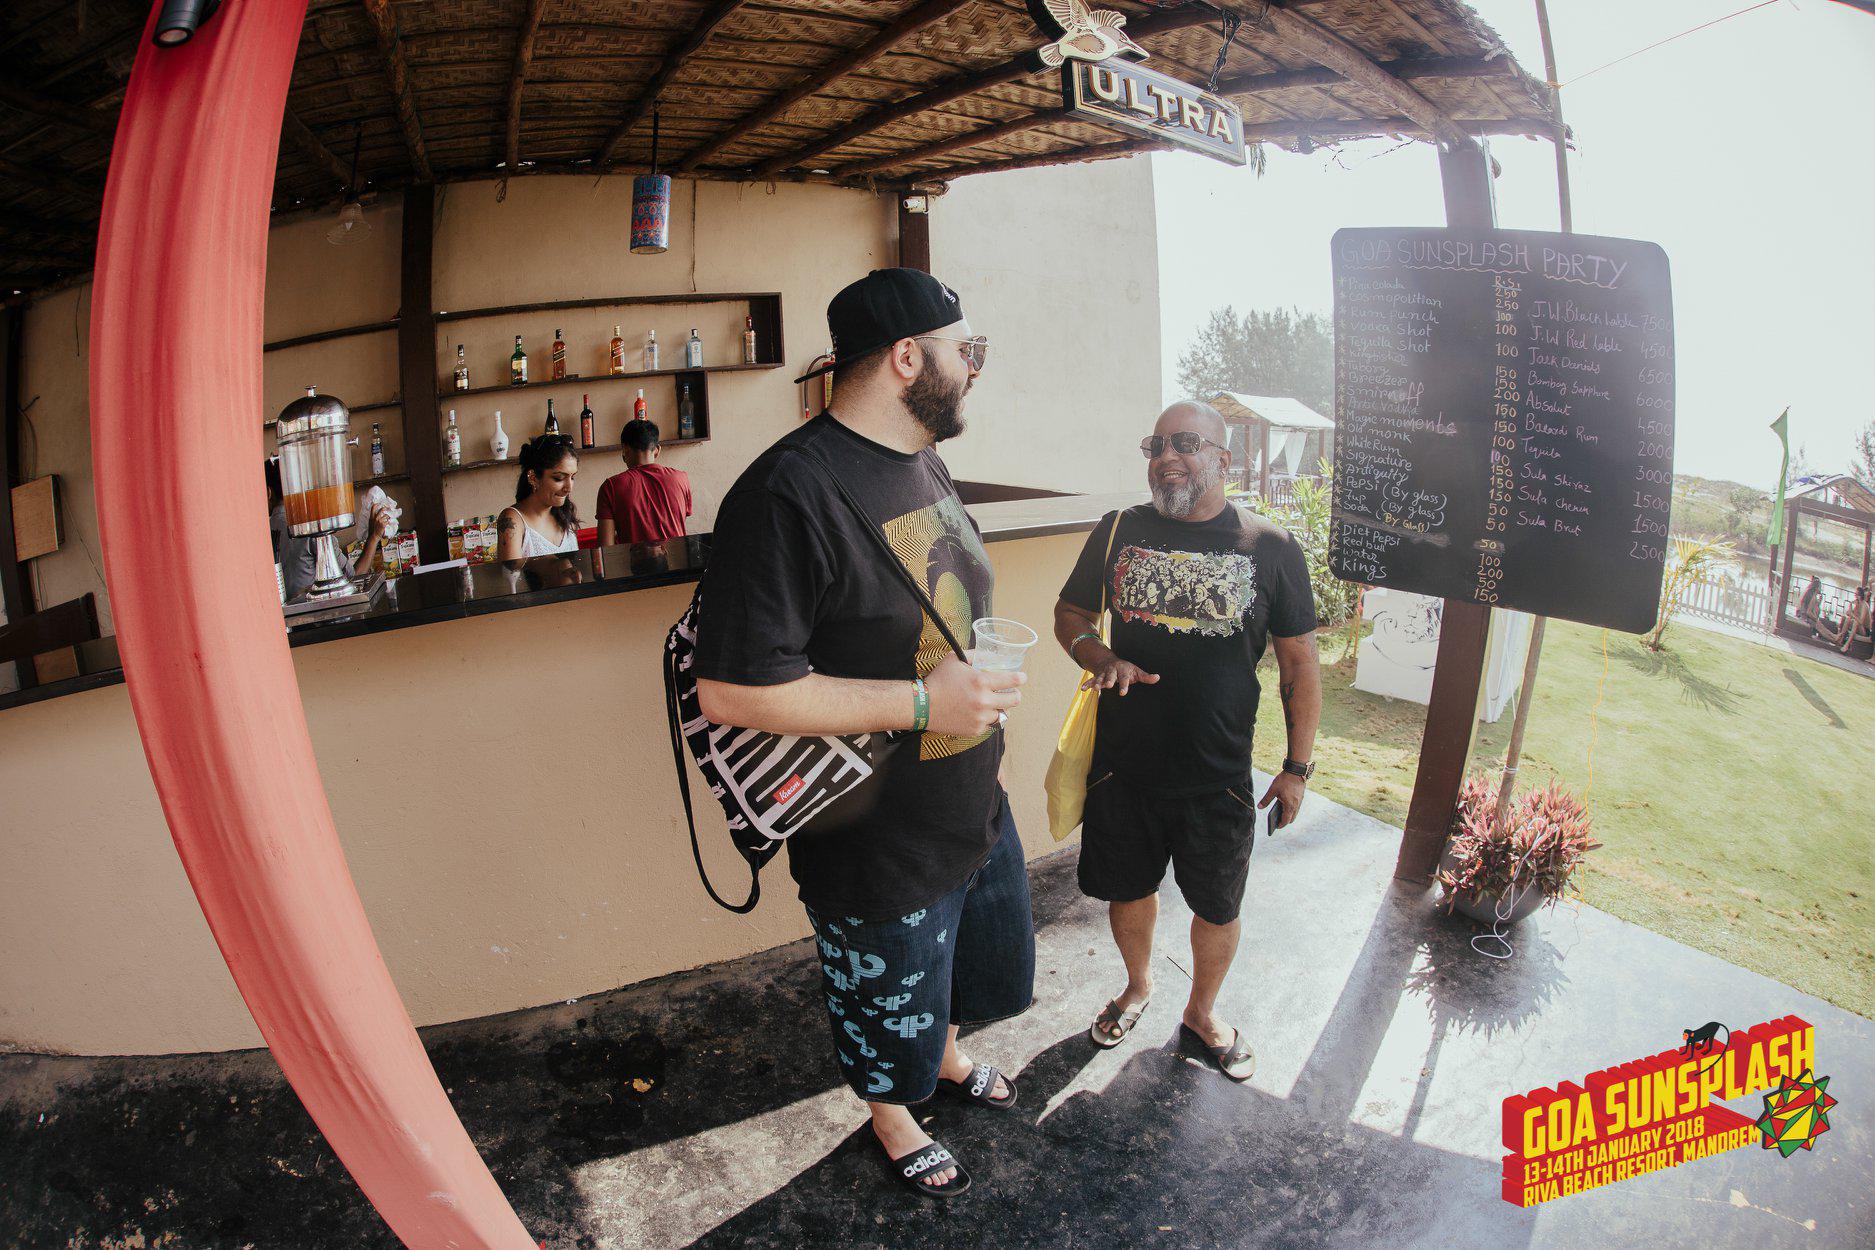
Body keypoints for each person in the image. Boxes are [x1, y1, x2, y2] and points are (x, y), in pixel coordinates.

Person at [691, 268, 1027, 1200]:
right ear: (908, 357)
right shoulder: (786, 492)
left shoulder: (923, 458)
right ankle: (893, 1116)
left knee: (967, 974)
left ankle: (946, 1058)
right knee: (886, 1013)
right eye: (967, 349)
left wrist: (975, 721)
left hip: (969, 795)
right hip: (872, 836)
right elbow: (732, 691)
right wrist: (923, 706)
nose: (975, 366)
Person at [1054, 400, 1322, 1083]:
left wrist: (1296, 768)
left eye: (1185, 443)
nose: (1167, 456)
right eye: (1156, 445)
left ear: (1224, 459)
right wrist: (1098, 656)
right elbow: (1071, 613)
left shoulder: (1271, 547)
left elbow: (1299, 665)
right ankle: (1137, 987)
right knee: (1127, 890)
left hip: (1217, 775)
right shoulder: (1118, 530)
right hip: (1123, 768)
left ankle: (1202, 1013)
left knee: (1218, 906)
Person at [265, 457, 391, 601]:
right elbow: (354, 577)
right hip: (315, 612)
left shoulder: (261, 532)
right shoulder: (313, 528)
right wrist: (374, 537)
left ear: (268, 492)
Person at [596, 418, 691, 546]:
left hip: (634, 559)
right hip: (679, 558)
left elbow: (606, 547)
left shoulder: (610, 487)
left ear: (625, 449)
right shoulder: (681, 478)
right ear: (657, 450)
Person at [496, 434, 580, 560]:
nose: (569, 487)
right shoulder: (513, 520)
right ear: (533, 478)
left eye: (572, 477)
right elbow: (510, 572)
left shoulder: (565, 515)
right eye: (559, 478)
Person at [1816, 583, 1869, 652]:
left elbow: (1861, 622)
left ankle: (1847, 645)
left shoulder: (1865, 605)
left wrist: (1852, 614)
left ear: (1860, 595)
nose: (1855, 596)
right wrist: (1850, 608)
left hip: (1864, 630)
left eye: (1856, 594)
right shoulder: (1857, 603)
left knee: (1855, 622)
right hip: (1857, 625)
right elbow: (1850, 615)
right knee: (1846, 618)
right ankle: (1840, 639)